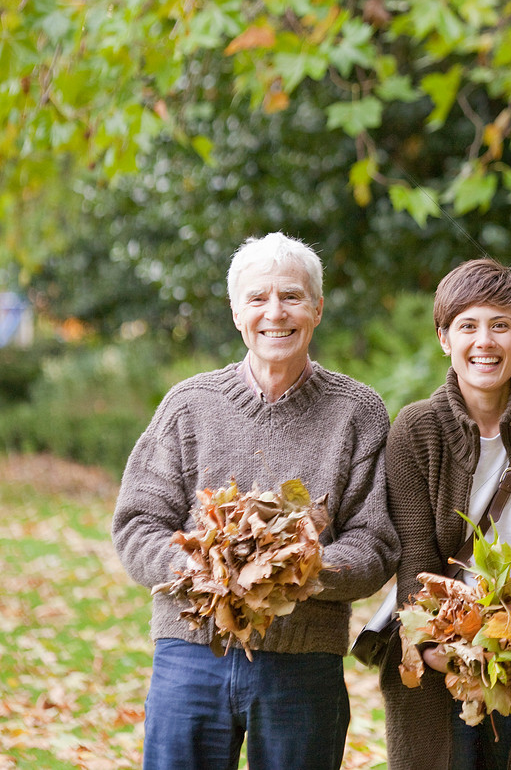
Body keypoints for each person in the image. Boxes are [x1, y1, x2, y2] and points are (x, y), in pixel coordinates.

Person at [112, 231, 401, 770]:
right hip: (191, 653)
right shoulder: (189, 405)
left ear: (316, 308)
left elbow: (378, 542)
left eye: (291, 296)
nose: (276, 312)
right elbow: (137, 522)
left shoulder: (357, 412)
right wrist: (204, 569)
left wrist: (296, 570)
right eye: (258, 298)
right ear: (235, 312)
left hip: (304, 661)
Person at [380, 258, 511, 770]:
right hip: (443, 649)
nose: (485, 341)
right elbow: (415, 556)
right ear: (443, 338)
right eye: (468, 326)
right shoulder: (415, 431)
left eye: (500, 325)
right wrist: (435, 638)